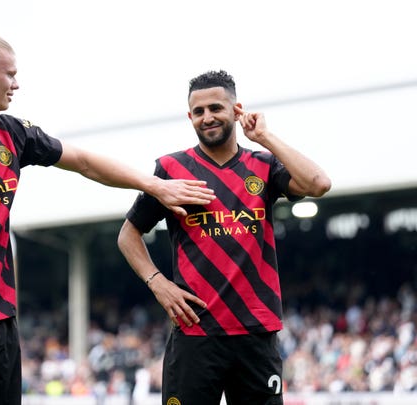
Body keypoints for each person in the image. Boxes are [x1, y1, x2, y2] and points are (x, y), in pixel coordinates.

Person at [0, 32, 215, 405]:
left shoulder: (12, 134)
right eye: (9, 74)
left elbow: (84, 162)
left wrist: (155, 186)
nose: (16, 83)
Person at [117, 70, 331, 405]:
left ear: (236, 109)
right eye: (198, 112)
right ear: (190, 117)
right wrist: (157, 282)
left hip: (256, 331)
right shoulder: (171, 169)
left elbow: (318, 183)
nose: (207, 118)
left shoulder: (264, 165)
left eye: (216, 108)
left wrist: (266, 138)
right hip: (195, 331)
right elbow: (128, 235)